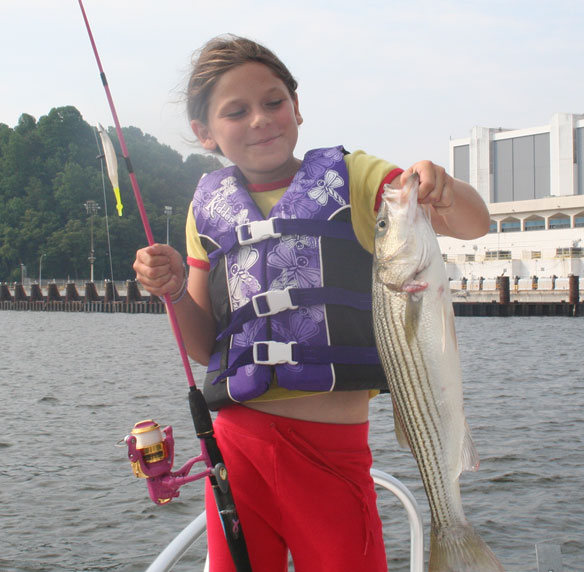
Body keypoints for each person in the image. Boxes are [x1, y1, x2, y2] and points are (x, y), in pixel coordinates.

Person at [133, 34, 489, 572]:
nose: (261, 119)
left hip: (335, 451)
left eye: (274, 101)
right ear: (205, 133)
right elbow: (206, 347)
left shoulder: (358, 176)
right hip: (236, 446)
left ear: (297, 106)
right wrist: (176, 290)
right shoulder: (205, 207)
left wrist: (443, 186)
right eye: (237, 111)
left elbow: (474, 223)